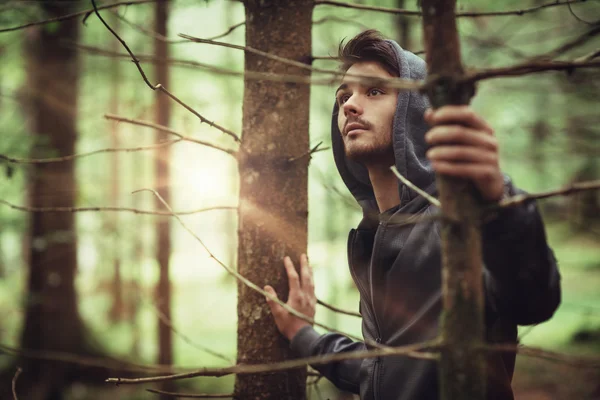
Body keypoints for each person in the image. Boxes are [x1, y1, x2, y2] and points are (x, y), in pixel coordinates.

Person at [263, 30, 561, 400]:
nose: (350, 105)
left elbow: (533, 300)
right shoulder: (371, 237)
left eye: (374, 91)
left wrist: (500, 200)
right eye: (344, 96)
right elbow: (385, 368)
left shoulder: (457, 222)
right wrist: (302, 334)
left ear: (415, 113)